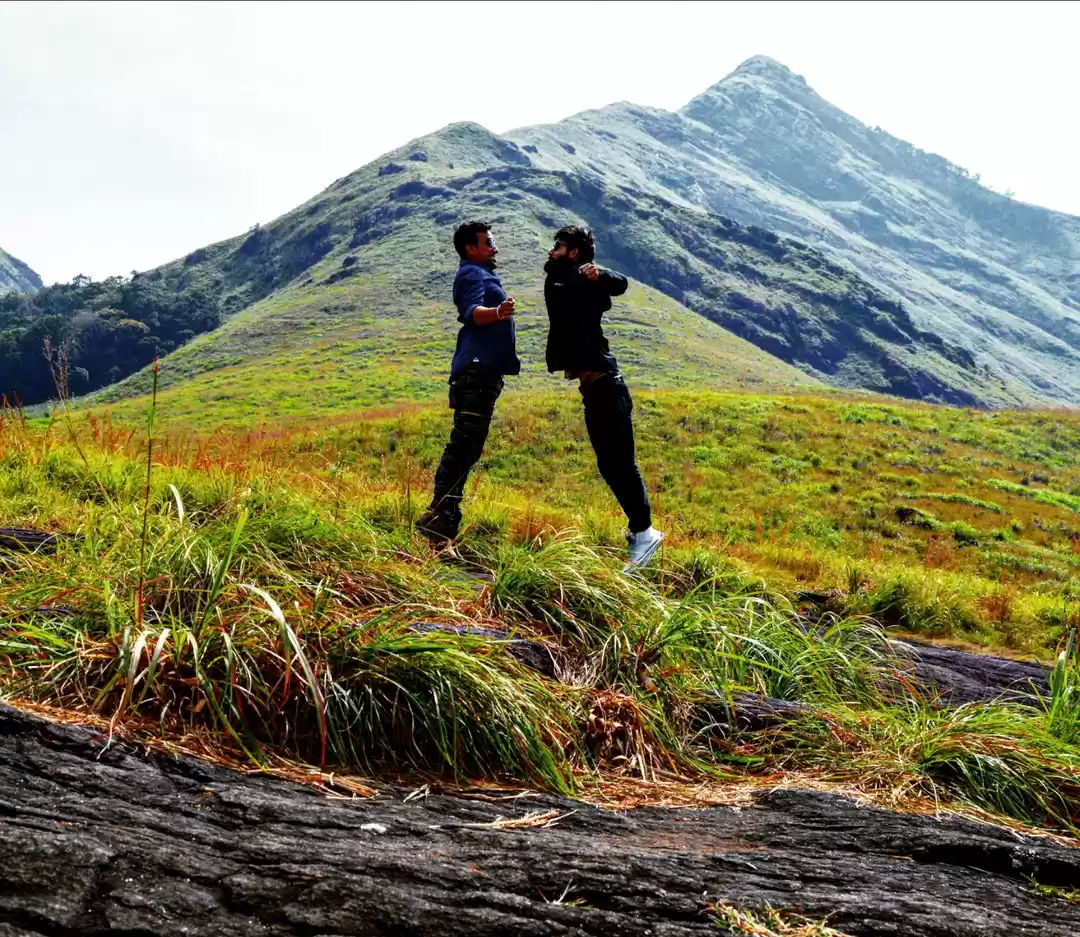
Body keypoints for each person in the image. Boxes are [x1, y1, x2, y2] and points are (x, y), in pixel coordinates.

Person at [543, 225, 664, 572]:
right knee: (611, 464)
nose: (552, 251)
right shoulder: (565, 280)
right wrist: (598, 281)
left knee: (619, 463)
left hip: (606, 386)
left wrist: (601, 275)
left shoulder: (570, 278)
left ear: (574, 253)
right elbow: (606, 296)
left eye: (558, 246)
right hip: (598, 388)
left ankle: (645, 532)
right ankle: (640, 530)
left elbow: (619, 285)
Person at [417, 221, 519, 548]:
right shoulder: (472, 274)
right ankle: (438, 518)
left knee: (468, 445)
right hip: (476, 370)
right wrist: (498, 312)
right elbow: (471, 312)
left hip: (483, 371)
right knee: (464, 444)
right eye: (488, 242)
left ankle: (441, 520)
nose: (495, 247)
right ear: (470, 248)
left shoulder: (479, 273)